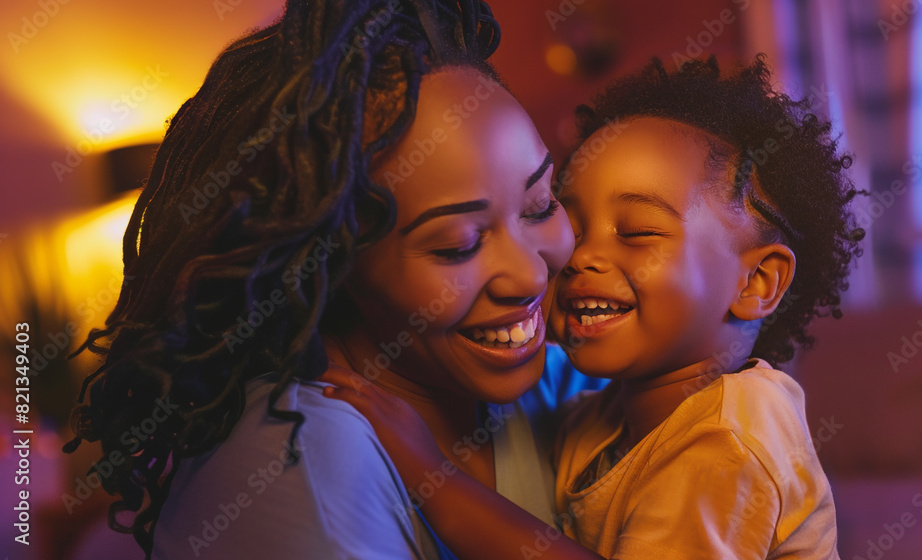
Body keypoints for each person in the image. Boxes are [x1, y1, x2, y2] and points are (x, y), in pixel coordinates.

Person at [63, 1, 604, 558]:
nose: (529, 273)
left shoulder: (563, 384)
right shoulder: (301, 460)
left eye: (540, 205)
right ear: (334, 261)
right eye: (458, 244)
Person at [324, 55, 866, 559]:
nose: (581, 257)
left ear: (757, 282)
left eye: (637, 232)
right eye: (569, 222)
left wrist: (433, 476)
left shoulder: (732, 436)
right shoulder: (596, 422)